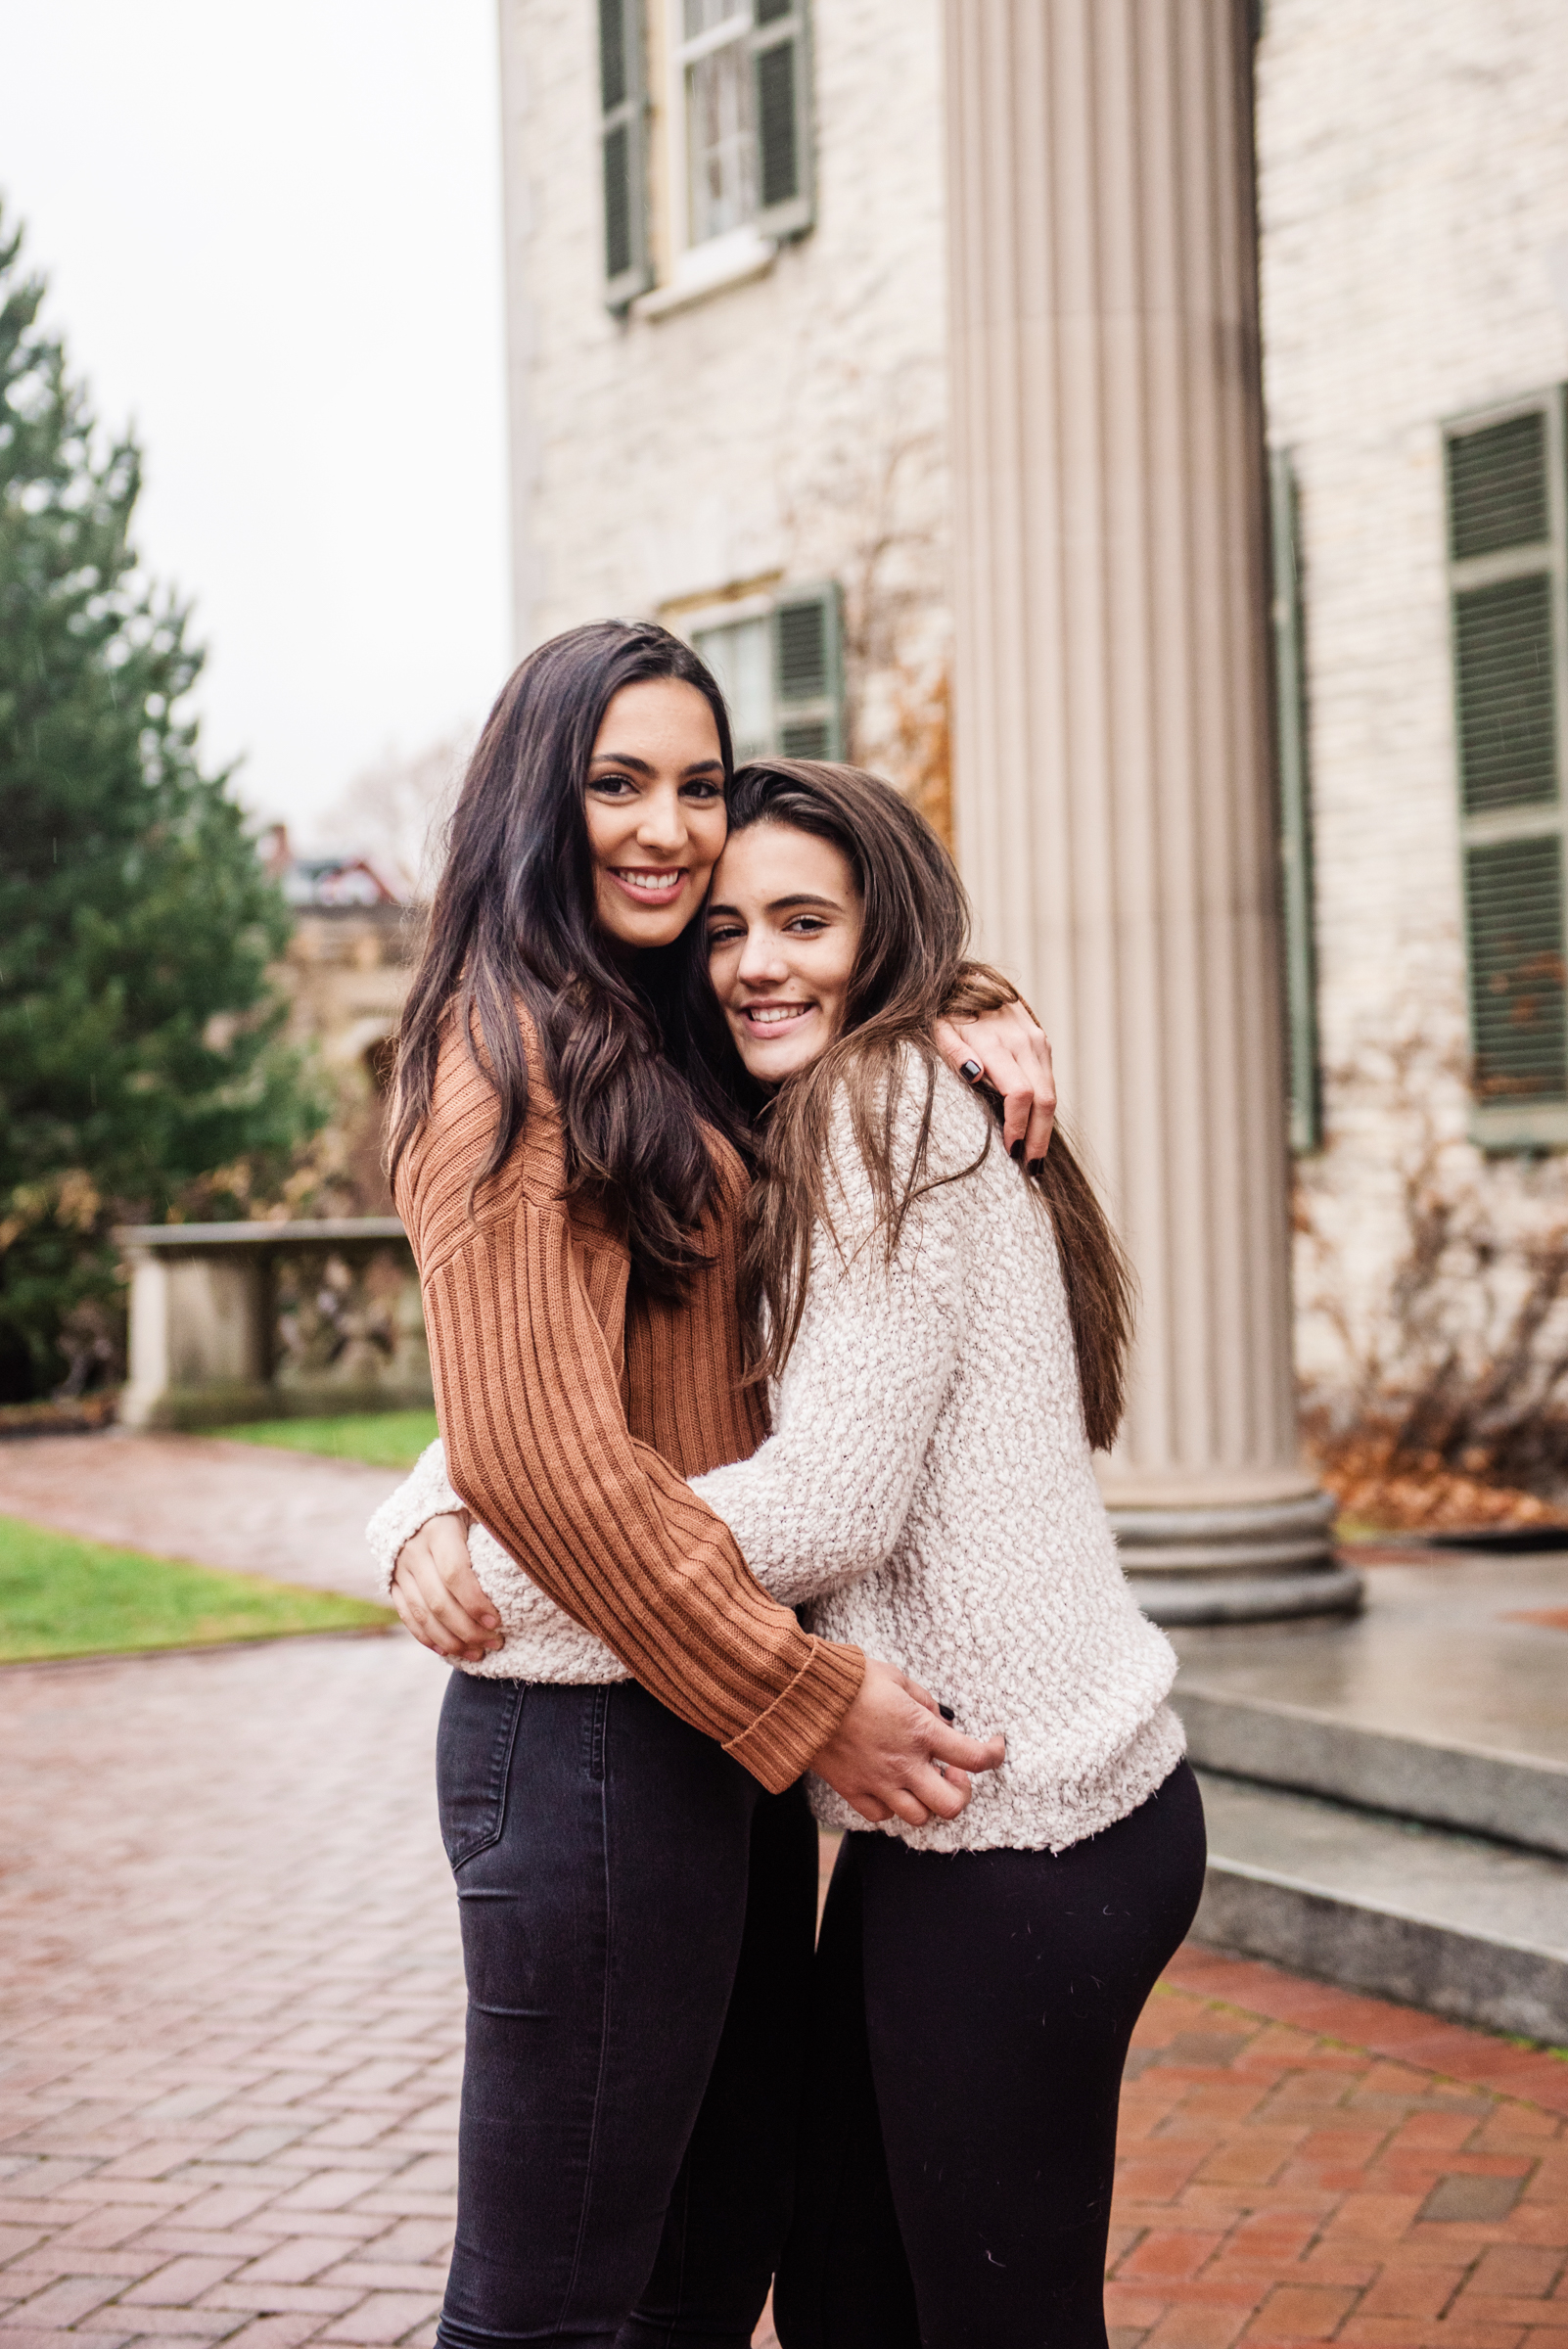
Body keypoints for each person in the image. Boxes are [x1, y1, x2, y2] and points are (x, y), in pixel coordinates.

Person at [388, 753, 1208, 2349]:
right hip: (966, 1831)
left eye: (805, 922)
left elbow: (824, 1499)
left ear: (878, 932)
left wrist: (509, 1566)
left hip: (1020, 1825)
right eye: (725, 928)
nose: (757, 961)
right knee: (847, 2300)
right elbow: (604, 1391)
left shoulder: (878, 1111)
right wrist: (428, 1497)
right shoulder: (810, 1117)